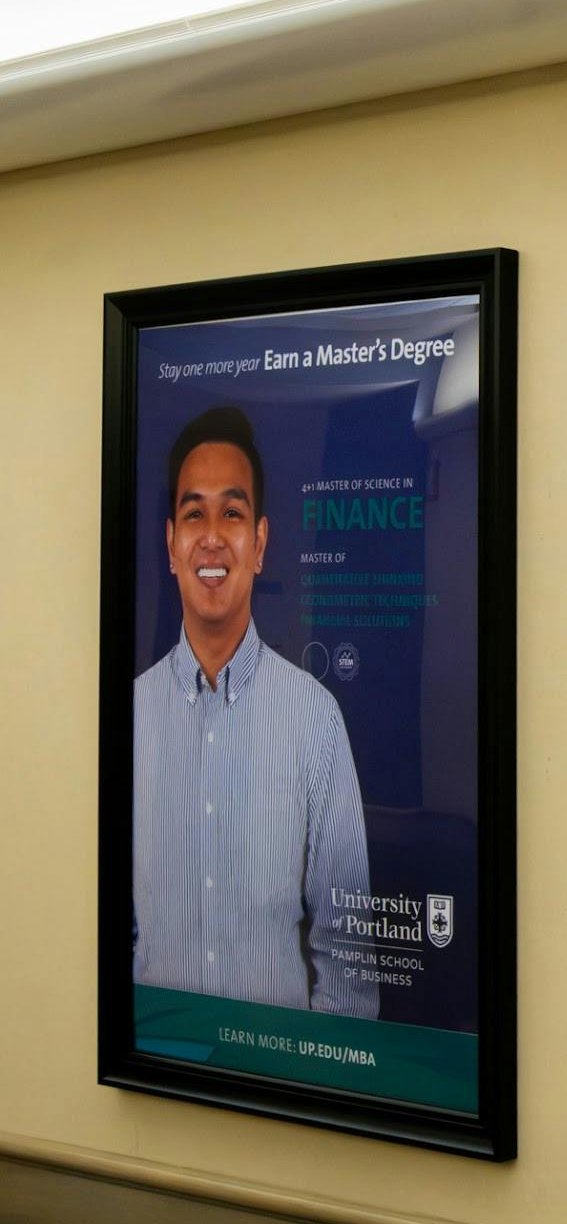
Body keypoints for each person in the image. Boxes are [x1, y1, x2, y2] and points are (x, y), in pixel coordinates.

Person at [132, 406, 377, 1017]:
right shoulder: (128, 719)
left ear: (259, 543)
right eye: (194, 513)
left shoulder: (316, 721)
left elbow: (349, 965)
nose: (212, 535)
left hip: (279, 1089)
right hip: (151, 1081)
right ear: (171, 545)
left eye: (232, 512)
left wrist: (305, 1094)